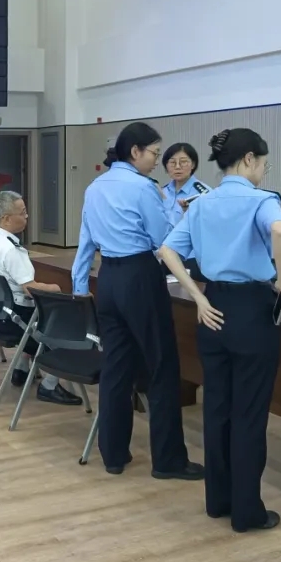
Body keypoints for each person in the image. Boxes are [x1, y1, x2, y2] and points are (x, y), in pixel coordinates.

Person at [159, 128, 281, 533]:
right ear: (249, 159)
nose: (264, 172)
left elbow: (167, 250)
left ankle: (218, 501)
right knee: (248, 414)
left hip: (213, 308)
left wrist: (197, 298)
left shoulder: (202, 202)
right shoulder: (261, 200)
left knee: (217, 409)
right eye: (264, 164)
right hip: (252, 311)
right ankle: (247, 512)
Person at [72, 122, 203, 481]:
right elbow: (162, 240)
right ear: (135, 152)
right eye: (155, 154)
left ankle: (113, 454)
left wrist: (80, 284)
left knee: (116, 367)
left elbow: (86, 240)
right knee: (161, 367)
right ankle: (168, 461)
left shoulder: (95, 186)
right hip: (140, 276)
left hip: (108, 279)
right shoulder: (144, 188)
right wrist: (184, 217)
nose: (157, 161)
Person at [0, 190, 82, 406]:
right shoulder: (11, 249)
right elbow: (31, 290)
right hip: (15, 320)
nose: (27, 216)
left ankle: (21, 369)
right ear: (6, 218)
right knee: (69, 324)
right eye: (22, 212)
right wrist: (60, 288)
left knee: (35, 320)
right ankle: (49, 386)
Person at [161, 142, 210, 225]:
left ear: (193, 164)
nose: (177, 167)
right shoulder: (162, 192)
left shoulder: (204, 194)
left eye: (183, 162)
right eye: (172, 162)